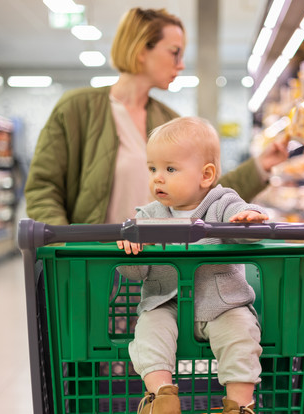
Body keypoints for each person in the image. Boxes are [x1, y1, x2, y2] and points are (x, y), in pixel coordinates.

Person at [24, 7, 289, 227]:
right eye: (175, 52)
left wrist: (260, 165)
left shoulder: (168, 120)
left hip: (158, 268)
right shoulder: (76, 109)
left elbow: (205, 191)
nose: (181, 64)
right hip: (95, 264)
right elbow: (43, 188)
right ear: (141, 50)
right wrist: (65, 247)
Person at [117, 117, 266, 414]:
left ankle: (239, 405)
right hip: (165, 302)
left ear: (206, 175)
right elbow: (134, 274)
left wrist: (249, 218)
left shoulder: (222, 203)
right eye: (153, 168)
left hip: (224, 304)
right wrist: (131, 251)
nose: (158, 178)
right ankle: (162, 395)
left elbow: (248, 226)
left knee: (241, 335)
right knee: (148, 329)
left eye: (170, 169)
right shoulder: (147, 216)